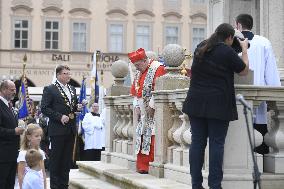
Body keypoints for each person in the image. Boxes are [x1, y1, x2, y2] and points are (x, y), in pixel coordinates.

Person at [182, 23, 249, 189]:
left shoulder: (200, 47)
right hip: (218, 105)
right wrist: (244, 49)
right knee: (216, 144)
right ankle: (215, 185)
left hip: (196, 103)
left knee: (197, 143)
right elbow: (243, 70)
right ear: (229, 38)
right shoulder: (226, 51)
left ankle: (196, 184)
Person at [235, 14, 281, 154]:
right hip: (259, 97)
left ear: (238, 25)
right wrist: (274, 95)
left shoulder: (232, 41)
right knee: (259, 135)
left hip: (238, 95)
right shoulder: (264, 42)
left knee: (239, 134)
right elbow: (271, 72)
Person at [40, 65, 82, 189]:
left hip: (70, 129)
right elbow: (44, 108)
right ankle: (55, 186)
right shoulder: (50, 89)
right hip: (57, 130)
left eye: (69, 73)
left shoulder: (72, 89)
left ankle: (64, 185)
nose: (68, 76)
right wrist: (59, 117)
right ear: (58, 75)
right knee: (56, 160)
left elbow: (71, 108)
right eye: (65, 73)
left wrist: (77, 108)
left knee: (66, 161)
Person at [129, 48, 166, 174]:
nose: (137, 68)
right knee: (142, 136)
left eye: (138, 65)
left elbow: (158, 88)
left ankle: (149, 165)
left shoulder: (158, 68)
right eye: (135, 66)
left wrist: (152, 105)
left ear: (145, 61)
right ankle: (142, 166)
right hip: (142, 112)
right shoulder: (139, 72)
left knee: (152, 135)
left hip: (152, 110)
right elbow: (135, 91)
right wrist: (137, 106)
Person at [0, 80, 25, 189]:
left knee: (10, 184)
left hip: (12, 154)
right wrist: (14, 131)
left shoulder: (9, 106)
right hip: (2, 155)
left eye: (15, 89)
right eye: (12, 90)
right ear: (3, 90)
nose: (15, 92)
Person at [17, 123, 46, 189]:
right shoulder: (23, 153)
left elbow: (43, 172)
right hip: (28, 185)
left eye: (40, 136)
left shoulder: (40, 152)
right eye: (36, 136)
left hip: (39, 184)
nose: (39, 138)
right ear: (28, 137)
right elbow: (20, 174)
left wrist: (45, 187)